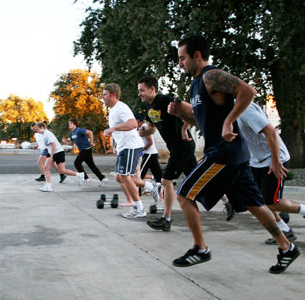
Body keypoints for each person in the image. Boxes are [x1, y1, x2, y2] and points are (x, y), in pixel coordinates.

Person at [168, 35, 300, 274]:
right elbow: (203, 121)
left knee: (184, 194)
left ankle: (200, 248)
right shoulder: (196, 84)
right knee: (255, 203)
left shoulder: (211, 75)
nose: (180, 64)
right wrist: (181, 114)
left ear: (197, 55)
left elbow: (248, 91)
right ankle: (287, 246)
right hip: (235, 155)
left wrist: (230, 120)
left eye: (182, 58)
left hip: (224, 153)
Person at [237, 102, 305, 244]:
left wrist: (275, 161)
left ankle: (303, 210)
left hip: (273, 160)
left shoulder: (244, 109)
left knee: (271, 203)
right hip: (256, 161)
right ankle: (284, 230)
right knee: (258, 201)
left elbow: (271, 131)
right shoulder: (228, 111)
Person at [137, 76, 197, 231]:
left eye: (142, 90)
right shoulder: (149, 109)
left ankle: (166, 219)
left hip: (182, 145)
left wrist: (184, 129)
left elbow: (191, 109)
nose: (139, 94)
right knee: (197, 179)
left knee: (166, 180)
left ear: (152, 89)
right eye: (139, 91)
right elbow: (152, 128)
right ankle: (226, 200)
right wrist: (144, 131)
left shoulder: (165, 100)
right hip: (178, 148)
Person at [102, 83, 161, 218]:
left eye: (105, 94)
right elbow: (121, 129)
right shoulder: (113, 110)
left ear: (113, 95)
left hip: (131, 146)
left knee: (124, 176)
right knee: (120, 177)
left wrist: (112, 129)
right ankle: (152, 187)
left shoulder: (121, 107)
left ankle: (138, 208)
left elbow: (133, 123)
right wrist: (116, 144)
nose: (103, 97)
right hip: (125, 147)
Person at [34, 122, 85, 191]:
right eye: (36, 130)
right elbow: (48, 145)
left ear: (42, 127)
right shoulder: (43, 134)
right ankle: (48, 186)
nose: (37, 131)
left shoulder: (47, 134)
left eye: (37, 129)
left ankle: (80, 175)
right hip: (52, 153)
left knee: (62, 170)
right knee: (46, 168)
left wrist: (51, 156)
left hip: (58, 153)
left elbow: (53, 144)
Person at [62, 119, 108, 187]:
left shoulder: (79, 130)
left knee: (77, 163)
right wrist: (65, 142)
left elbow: (90, 132)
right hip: (83, 150)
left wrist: (91, 142)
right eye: (69, 123)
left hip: (86, 149)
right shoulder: (72, 133)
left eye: (71, 123)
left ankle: (85, 178)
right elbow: (72, 143)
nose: (69, 125)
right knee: (91, 165)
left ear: (75, 124)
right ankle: (102, 178)